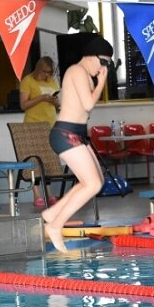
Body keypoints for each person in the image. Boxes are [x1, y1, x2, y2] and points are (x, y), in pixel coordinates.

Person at [41, 36, 113, 253]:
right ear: (92, 56)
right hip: (65, 133)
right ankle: (55, 225)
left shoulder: (84, 74)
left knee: (95, 180)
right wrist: (101, 83)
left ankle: (51, 215)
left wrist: (97, 82)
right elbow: (89, 103)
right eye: (103, 62)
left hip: (76, 133)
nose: (103, 68)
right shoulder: (77, 71)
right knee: (92, 184)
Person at [20, 56, 60, 208]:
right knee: (33, 161)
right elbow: (24, 104)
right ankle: (36, 194)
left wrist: (54, 101)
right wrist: (41, 98)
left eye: (50, 73)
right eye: (44, 72)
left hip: (49, 124)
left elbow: (58, 105)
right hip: (32, 124)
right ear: (38, 69)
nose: (47, 76)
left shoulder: (52, 82)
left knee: (48, 159)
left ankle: (49, 193)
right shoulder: (28, 81)